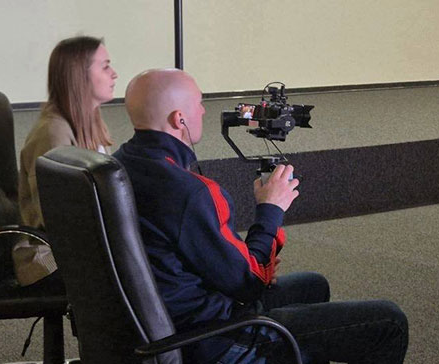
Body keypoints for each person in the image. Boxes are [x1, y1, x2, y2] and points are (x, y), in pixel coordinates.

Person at [113, 68, 408, 364]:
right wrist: (271, 209)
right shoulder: (190, 192)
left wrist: (251, 262)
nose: (203, 111)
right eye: (199, 103)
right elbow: (248, 283)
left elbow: (179, 254)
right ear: (179, 119)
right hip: (213, 339)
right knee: (389, 321)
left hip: (162, 321)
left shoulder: (119, 166)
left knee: (313, 284)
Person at [13, 36, 118, 288]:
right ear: (79, 76)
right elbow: (58, 216)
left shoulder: (89, 121)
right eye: (105, 66)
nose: (114, 73)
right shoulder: (53, 133)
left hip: (80, 248)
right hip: (51, 259)